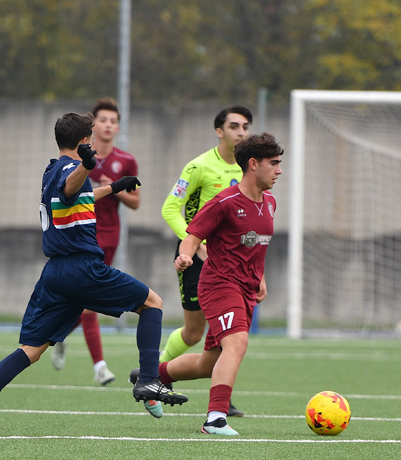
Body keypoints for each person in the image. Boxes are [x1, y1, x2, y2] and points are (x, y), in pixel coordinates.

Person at [0, 112, 188, 435]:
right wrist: (87, 165)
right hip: (82, 267)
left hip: (55, 273)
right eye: (90, 136)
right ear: (84, 141)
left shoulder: (50, 169)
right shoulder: (70, 170)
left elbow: (75, 195)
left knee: (31, 351)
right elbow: (70, 187)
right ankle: (149, 379)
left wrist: (113, 187)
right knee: (152, 303)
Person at [133, 132, 283, 435]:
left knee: (208, 363)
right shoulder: (224, 202)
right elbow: (192, 237)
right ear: (254, 164)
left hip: (245, 290)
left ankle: (151, 376)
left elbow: (254, 244)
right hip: (219, 285)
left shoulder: (270, 202)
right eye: (274, 163)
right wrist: (185, 257)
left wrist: (261, 277)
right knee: (237, 343)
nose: (279, 170)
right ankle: (215, 418)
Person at [157, 105, 253, 418]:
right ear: (219, 131)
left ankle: (221, 397)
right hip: (196, 258)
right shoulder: (198, 166)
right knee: (193, 333)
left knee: (229, 333)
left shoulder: (248, 170)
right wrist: (195, 244)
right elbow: (170, 209)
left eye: (245, 126)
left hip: (231, 263)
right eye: (234, 126)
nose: (241, 132)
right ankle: (155, 375)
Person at [50, 98, 140, 388]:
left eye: (114, 121)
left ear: (118, 127)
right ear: (93, 127)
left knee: (85, 301)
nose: (108, 125)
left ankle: (58, 335)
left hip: (108, 235)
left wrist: (113, 187)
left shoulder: (126, 161)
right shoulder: (77, 159)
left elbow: (136, 202)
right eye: (103, 120)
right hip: (80, 235)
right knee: (88, 301)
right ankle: (100, 366)